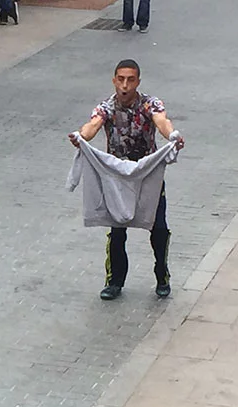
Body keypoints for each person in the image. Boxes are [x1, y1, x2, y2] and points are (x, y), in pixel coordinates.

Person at [69, 59, 185, 300]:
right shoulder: (107, 107)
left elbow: (162, 121)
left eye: (130, 80)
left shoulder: (149, 104)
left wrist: (172, 135)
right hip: (118, 178)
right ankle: (114, 281)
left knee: (159, 228)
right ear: (114, 81)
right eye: (121, 79)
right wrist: (81, 136)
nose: (125, 85)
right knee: (117, 230)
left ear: (138, 82)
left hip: (147, 174)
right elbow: (93, 125)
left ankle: (162, 275)